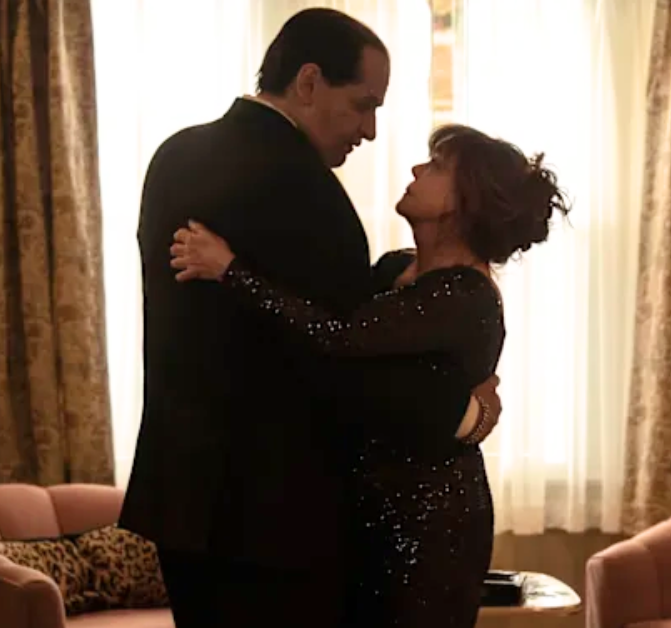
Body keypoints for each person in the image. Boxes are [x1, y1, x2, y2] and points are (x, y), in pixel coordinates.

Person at [117, 9, 501, 628]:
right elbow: (342, 360)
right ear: (310, 81)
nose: (371, 131)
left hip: (181, 494)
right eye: (362, 105)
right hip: (278, 516)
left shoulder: (175, 155)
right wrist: (464, 413)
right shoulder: (307, 190)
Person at [168, 123, 570, 627]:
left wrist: (229, 269)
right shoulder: (394, 269)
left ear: (462, 201)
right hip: (366, 510)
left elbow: (340, 335)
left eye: (438, 166)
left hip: (430, 524)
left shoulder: (465, 295)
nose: (417, 170)